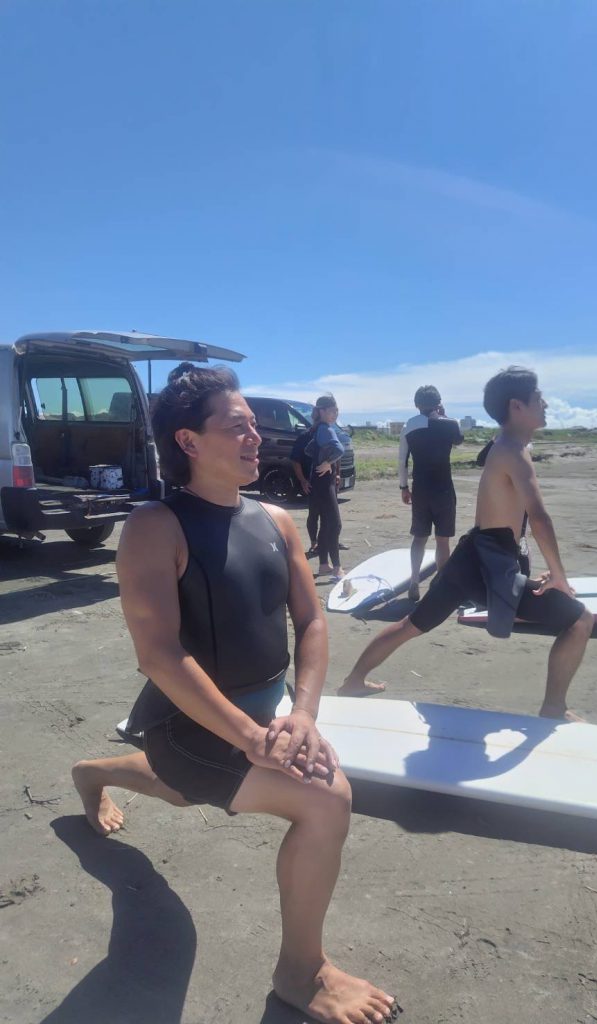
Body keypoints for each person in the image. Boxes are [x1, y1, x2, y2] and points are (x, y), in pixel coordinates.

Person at [70, 363, 397, 1024]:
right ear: (189, 442)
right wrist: (254, 741)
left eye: (255, 426)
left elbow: (309, 621)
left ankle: (93, 771)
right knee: (326, 801)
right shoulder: (155, 527)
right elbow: (158, 654)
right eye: (238, 426)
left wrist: (301, 716)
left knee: (185, 791)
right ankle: (300, 974)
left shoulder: (277, 520)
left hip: (259, 714)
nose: (256, 436)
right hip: (186, 725)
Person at [340, 366, 593, 720]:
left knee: (411, 624)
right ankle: (553, 708)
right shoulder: (511, 450)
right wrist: (558, 576)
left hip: (472, 557)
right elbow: (539, 517)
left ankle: (353, 681)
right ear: (517, 406)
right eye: (539, 398)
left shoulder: (505, 445)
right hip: (490, 565)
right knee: (580, 621)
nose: (546, 403)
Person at [398, 386, 464, 602]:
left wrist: (403, 487)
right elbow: (459, 440)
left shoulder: (409, 426)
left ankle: (414, 580)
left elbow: (402, 461)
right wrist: (442, 415)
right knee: (442, 540)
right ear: (439, 402)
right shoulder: (450, 424)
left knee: (419, 537)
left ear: (417, 404)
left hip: (421, 489)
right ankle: (441, 586)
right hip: (443, 487)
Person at [306, 394, 347, 581]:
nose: (335, 414)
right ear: (322, 411)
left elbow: (308, 450)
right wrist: (328, 462)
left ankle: (324, 565)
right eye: (331, 411)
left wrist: (321, 460)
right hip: (324, 482)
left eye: (337, 410)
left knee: (324, 525)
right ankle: (337, 568)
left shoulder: (316, 428)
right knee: (335, 524)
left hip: (317, 481)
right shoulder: (327, 429)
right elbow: (340, 449)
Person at [290, 421, 320, 556]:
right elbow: (295, 460)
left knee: (330, 516)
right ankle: (314, 543)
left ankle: (331, 541)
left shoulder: (329, 434)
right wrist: (303, 481)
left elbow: (335, 456)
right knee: (314, 513)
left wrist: (337, 474)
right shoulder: (304, 437)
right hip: (311, 482)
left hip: (328, 482)